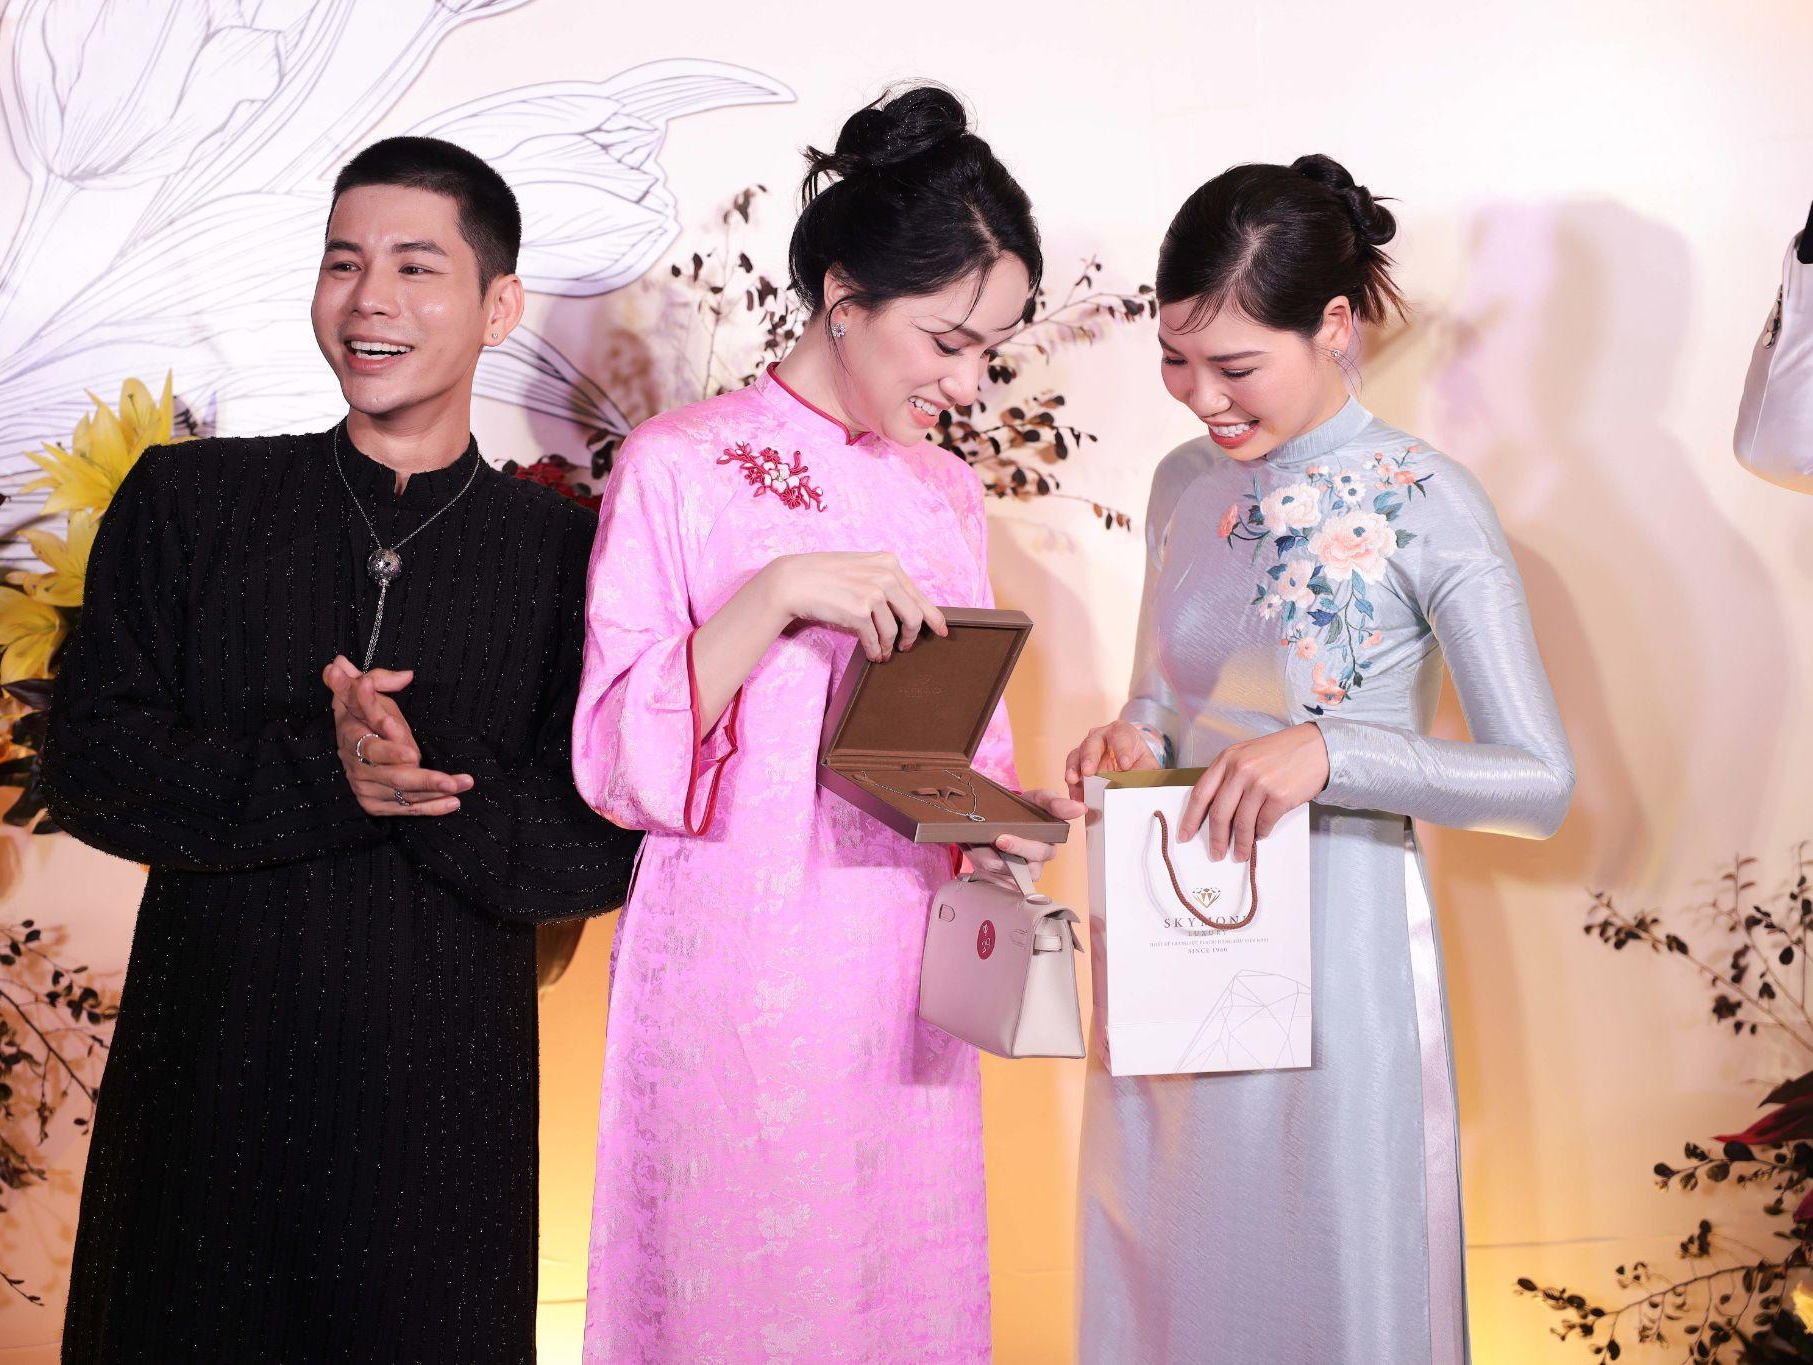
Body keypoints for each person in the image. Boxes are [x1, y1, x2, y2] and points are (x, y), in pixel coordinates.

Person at [42, 136, 641, 1364]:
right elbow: (90, 765)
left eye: (415, 267)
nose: (369, 299)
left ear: (499, 307)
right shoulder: (189, 502)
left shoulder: (568, 556)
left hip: (439, 1116)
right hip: (204, 1083)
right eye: (342, 263)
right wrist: (324, 770)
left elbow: (595, 845)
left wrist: (427, 781)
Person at [571, 84, 1085, 1362]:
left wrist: (1000, 828)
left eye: (989, 351)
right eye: (946, 341)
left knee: (891, 1289)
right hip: (731, 969)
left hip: (899, 974)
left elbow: (954, 747)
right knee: (732, 1293)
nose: (967, 383)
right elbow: (615, 755)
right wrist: (776, 593)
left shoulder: (944, 494)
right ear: (845, 297)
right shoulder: (676, 464)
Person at [1066, 155, 1575, 1364]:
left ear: (1333, 326)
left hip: (1338, 956)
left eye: (1235, 366)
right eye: (1175, 361)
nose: (1200, 398)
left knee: (1329, 1274)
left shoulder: (1426, 501)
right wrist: (1130, 737)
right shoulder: (1181, 485)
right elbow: (1162, 693)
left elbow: (1538, 781)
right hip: (1177, 939)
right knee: (1163, 1264)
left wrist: (1332, 752)